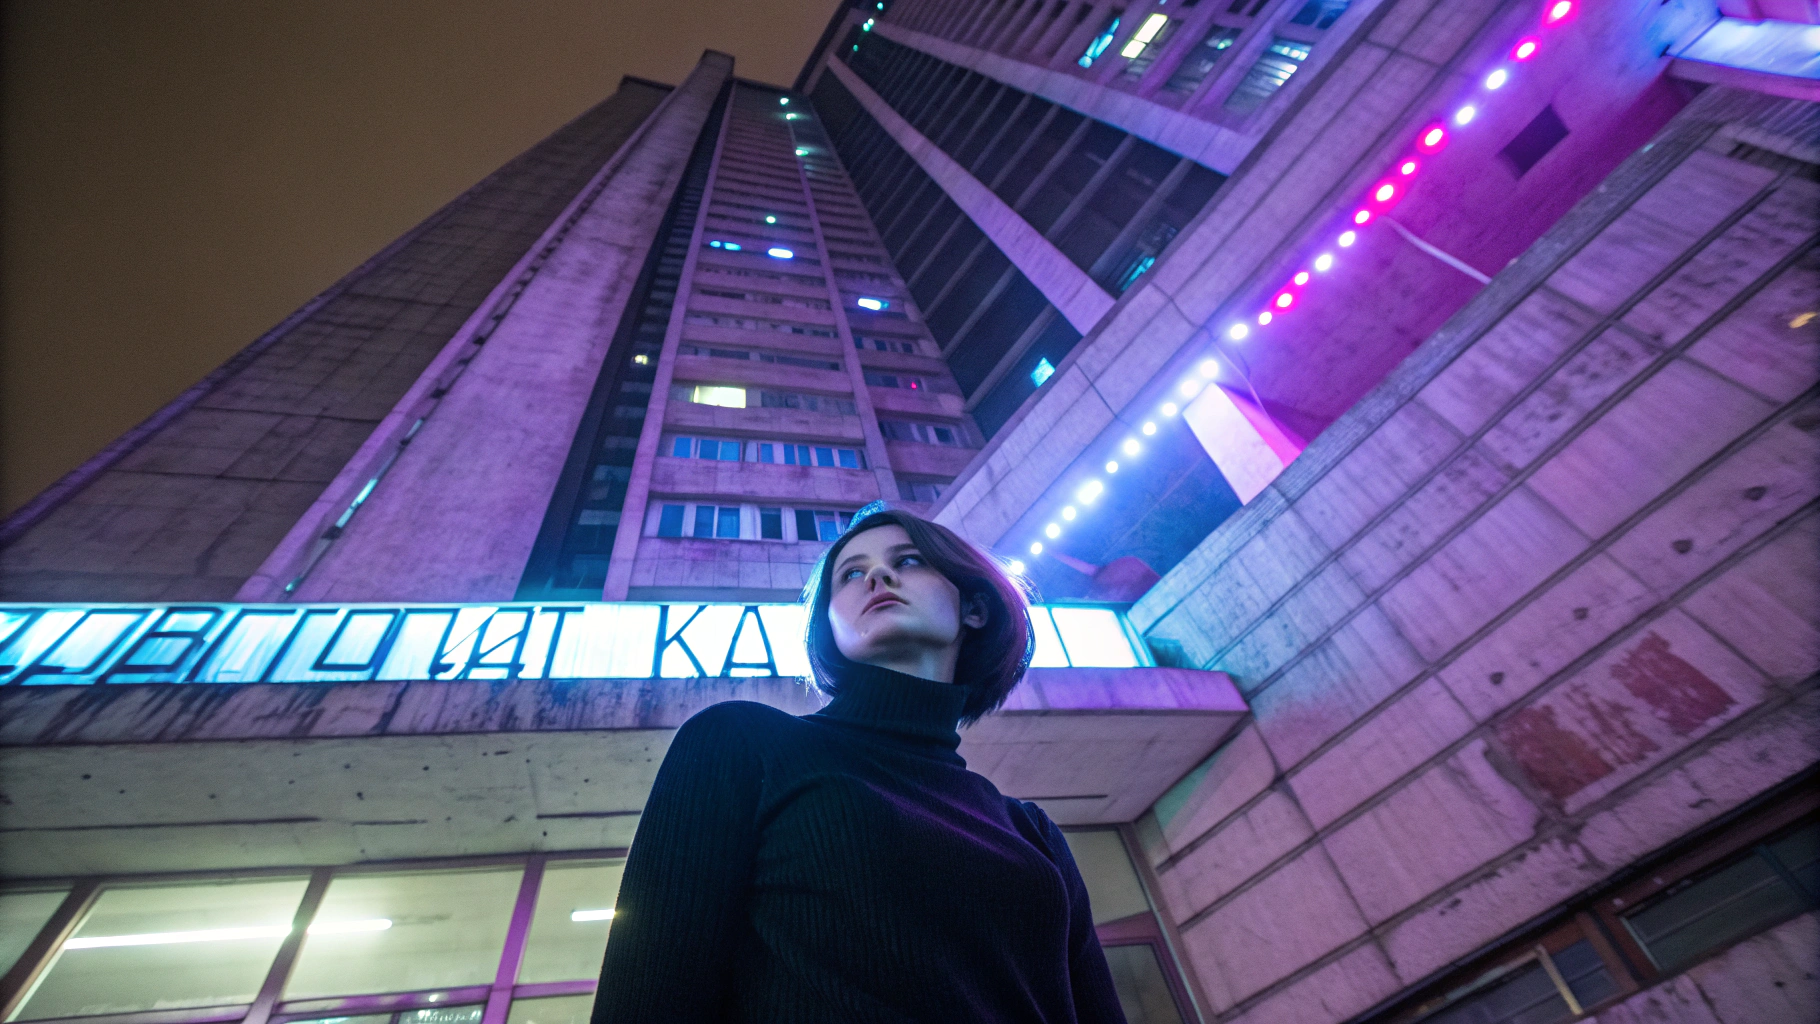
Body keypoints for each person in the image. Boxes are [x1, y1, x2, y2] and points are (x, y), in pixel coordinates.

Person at [591, 506, 1128, 1023]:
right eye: (850, 574)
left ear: (975, 608)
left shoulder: (1030, 831)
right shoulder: (742, 744)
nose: (877, 576)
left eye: (909, 561)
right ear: (831, 627)